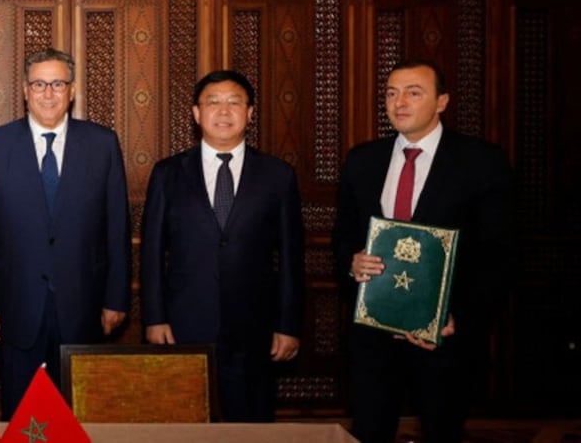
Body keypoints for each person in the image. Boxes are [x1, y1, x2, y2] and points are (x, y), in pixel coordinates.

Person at [332, 60, 513, 443]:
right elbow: (343, 237)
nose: (400, 102)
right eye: (391, 93)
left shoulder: (481, 162)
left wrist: (457, 317)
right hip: (373, 335)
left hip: (443, 337)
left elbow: (498, 255)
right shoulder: (362, 160)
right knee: (369, 431)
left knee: (441, 431)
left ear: (442, 101)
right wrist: (352, 261)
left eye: (414, 93)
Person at [0, 47, 130, 420]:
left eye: (58, 84)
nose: (48, 93)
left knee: (76, 417)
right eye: (39, 84)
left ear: (71, 91)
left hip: (84, 305)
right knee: (23, 419)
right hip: (15, 307)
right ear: (25, 90)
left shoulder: (103, 144)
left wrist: (116, 298)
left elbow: (117, 227)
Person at [140, 69, 304, 422]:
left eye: (234, 102)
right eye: (212, 102)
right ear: (197, 114)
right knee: (186, 421)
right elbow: (152, 252)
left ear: (250, 113)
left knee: (251, 422)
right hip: (185, 324)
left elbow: (292, 257)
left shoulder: (277, 176)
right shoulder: (168, 173)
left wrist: (288, 324)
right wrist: (154, 317)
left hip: (255, 327)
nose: (224, 111)